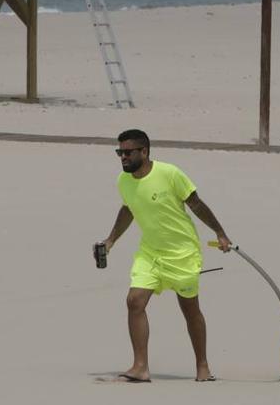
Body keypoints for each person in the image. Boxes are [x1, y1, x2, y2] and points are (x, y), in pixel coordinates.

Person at [97, 129, 233, 383]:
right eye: (119, 152)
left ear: (144, 152)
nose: (123, 157)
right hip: (150, 251)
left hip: (183, 253)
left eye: (127, 152)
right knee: (134, 301)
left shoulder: (169, 173)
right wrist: (111, 240)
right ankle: (140, 367)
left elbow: (196, 204)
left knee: (190, 309)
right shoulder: (123, 181)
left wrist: (220, 233)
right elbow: (128, 209)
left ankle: (202, 366)